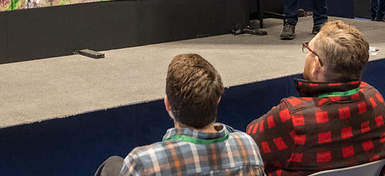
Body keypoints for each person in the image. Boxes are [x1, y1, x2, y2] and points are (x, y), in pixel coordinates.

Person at [246, 21, 385, 176]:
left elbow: (248, 144)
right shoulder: (375, 98)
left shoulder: (292, 116)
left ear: (316, 64)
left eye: (309, 49)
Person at [95, 53, 264, 176]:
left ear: (167, 103)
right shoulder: (247, 146)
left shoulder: (143, 162)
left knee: (111, 166)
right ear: (218, 99)